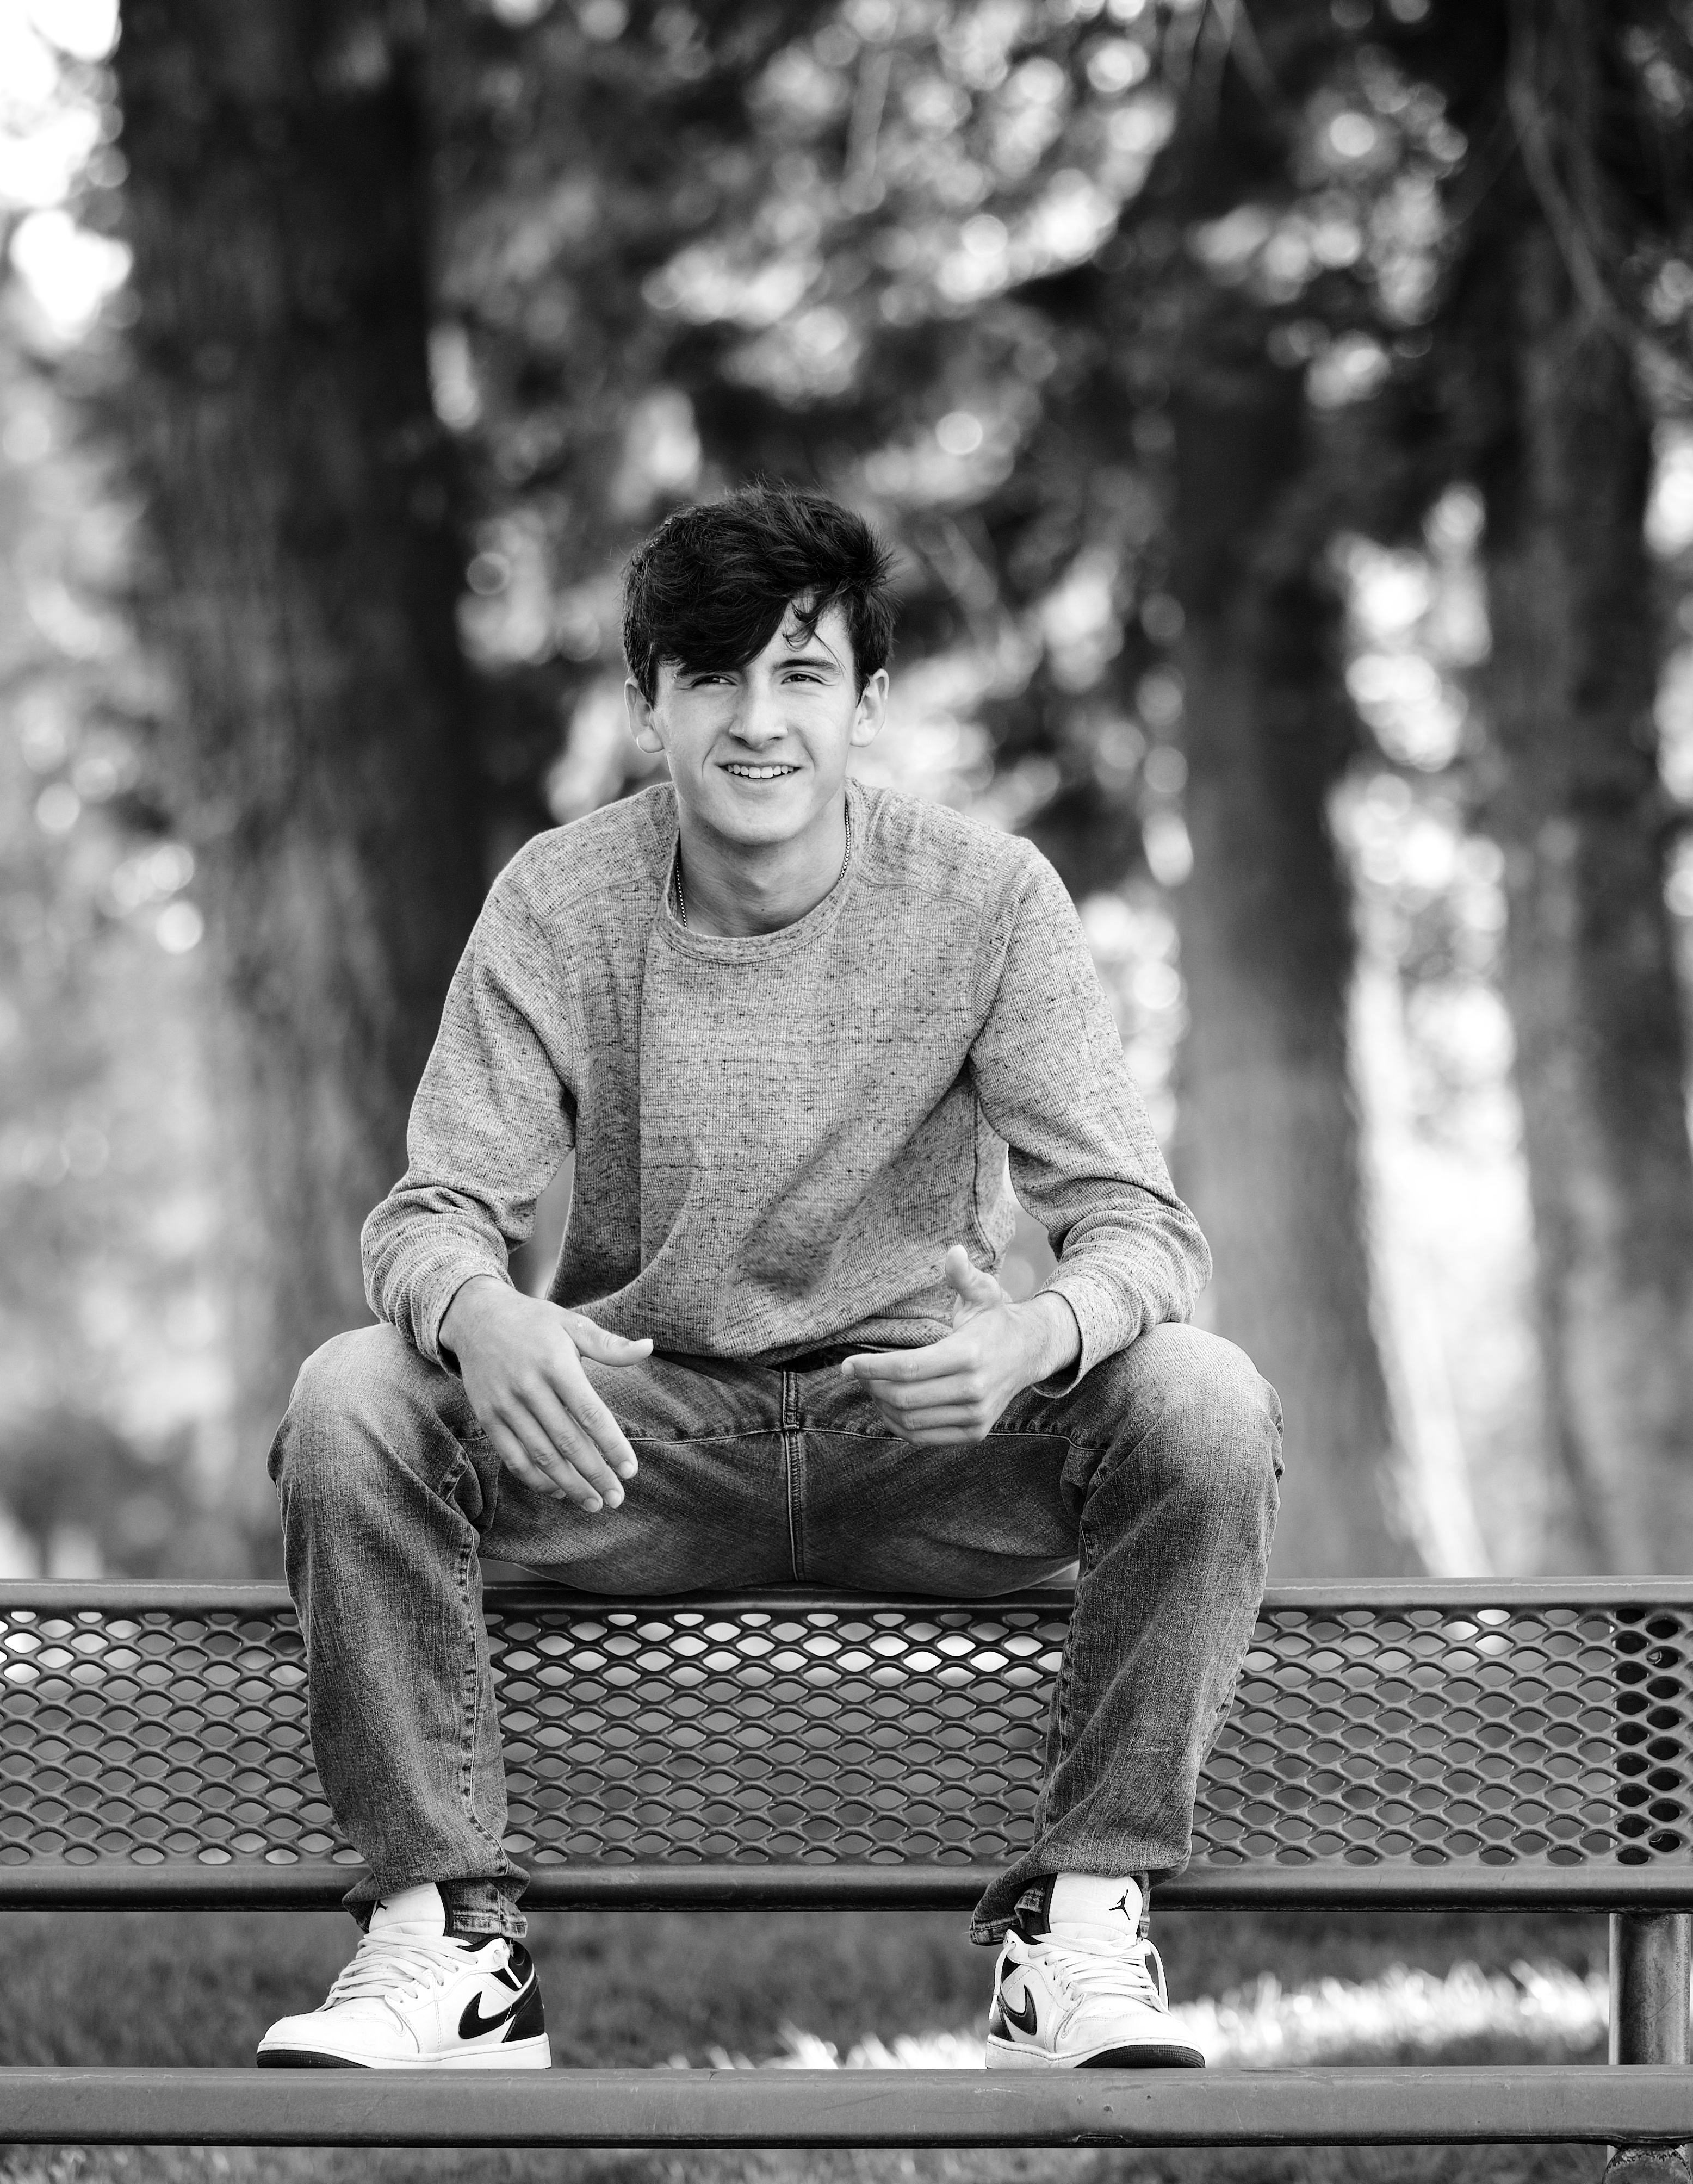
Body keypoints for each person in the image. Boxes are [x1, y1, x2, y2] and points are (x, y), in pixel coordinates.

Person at [256, 485, 1280, 2073]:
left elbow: (1147, 1235)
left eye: (801, 676)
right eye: (713, 675)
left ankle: (1075, 1928)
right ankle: (450, 1948)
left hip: (926, 1440)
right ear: (647, 701)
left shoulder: (990, 902)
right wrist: (484, 1313)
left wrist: (1034, 1336)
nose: (757, 722)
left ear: (866, 705)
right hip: (640, 1445)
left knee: (1204, 1400)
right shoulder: (559, 899)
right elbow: (426, 1217)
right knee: (353, 1399)